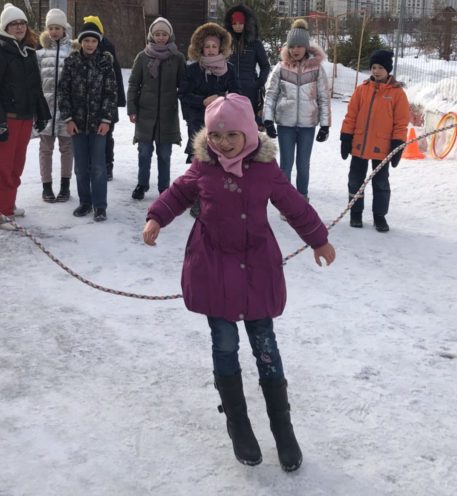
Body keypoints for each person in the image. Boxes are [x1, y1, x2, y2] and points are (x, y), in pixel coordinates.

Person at [142, 94, 335, 472]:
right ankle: (238, 422)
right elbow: (177, 193)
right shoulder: (203, 167)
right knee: (225, 344)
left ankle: (283, 428)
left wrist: (319, 238)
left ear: (247, 133)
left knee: (265, 347)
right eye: (216, 135)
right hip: (213, 268)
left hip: (257, 270)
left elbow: (294, 205)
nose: (224, 142)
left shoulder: (265, 170)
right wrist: (155, 218)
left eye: (232, 134)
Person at [0, 4, 50, 227]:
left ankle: (7, 205)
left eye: (22, 23)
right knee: (2, 166)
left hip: (23, 117)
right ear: (5, 27)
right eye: (14, 24)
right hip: (5, 119)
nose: (19, 27)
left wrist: (41, 112)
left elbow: (35, 87)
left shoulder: (27, 51)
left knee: (16, 165)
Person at [339, 49, 410, 232]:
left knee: (380, 183)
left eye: (380, 68)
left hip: (383, 147)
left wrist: (397, 145)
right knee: (355, 180)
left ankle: (380, 216)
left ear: (388, 69)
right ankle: (355, 213)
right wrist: (346, 137)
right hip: (359, 146)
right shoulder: (362, 90)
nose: (376, 71)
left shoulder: (397, 94)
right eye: (373, 67)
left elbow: (401, 123)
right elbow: (351, 116)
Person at [261, 18, 331, 200]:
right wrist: (267, 120)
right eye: (292, 46)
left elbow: (323, 97)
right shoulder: (281, 68)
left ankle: (302, 197)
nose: (296, 50)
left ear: (306, 47)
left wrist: (325, 125)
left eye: (300, 46)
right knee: (286, 163)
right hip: (286, 124)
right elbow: (270, 95)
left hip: (308, 124)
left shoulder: (317, 69)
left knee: (303, 164)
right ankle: (286, 201)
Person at [58, 19, 117, 222]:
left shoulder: (105, 64)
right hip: (77, 124)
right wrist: (68, 118)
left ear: (98, 42)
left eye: (93, 40)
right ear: (81, 42)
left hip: (98, 125)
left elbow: (111, 93)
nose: (90, 44)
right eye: (86, 40)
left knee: (99, 166)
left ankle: (100, 205)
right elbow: (63, 92)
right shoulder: (71, 62)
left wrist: (106, 120)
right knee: (81, 166)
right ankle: (85, 202)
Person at [127, 16, 183, 199]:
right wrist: (132, 109)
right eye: (157, 34)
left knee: (164, 154)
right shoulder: (143, 57)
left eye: (164, 34)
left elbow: (185, 85)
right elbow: (134, 84)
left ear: (170, 36)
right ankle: (142, 184)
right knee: (144, 152)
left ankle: (164, 188)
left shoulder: (177, 58)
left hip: (167, 115)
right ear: (152, 35)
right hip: (145, 114)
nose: (160, 38)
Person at [179, 22, 240, 164]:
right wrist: (202, 101)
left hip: (222, 121)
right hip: (197, 121)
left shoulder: (229, 69)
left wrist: (220, 99)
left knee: (219, 159)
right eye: (207, 46)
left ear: (220, 48)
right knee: (199, 160)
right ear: (201, 48)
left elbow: (237, 94)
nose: (211, 50)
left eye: (214, 46)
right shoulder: (192, 69)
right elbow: (183, 94)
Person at [35, 8, 74, 203]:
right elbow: (35, 81)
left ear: (64, 29)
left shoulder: (72, 52)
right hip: (46, 109)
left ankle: (65, 186)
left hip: (66, 111)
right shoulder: (40, 54)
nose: (54, 32)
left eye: (57, 27)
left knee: (67, 148)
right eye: (51, 28)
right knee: (45, 148)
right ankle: (46, 186)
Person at [81, 15, 124, 181]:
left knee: (106, 136)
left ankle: (107, 165)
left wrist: (117, 100)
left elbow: (114, 77)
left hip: (107, 104)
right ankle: (101, 165)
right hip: (91, 104)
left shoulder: (106, 49)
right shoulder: (83, 50)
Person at [223, 4, 271, 122]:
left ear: (246, 23)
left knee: (249, 124)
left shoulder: (255, 44)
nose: (238, 26)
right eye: (235, 24)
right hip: (230, 90)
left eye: (240, 23)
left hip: (250, 91)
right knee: (231, 124)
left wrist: (258, 83)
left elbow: (265, 66)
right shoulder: (226, 43)